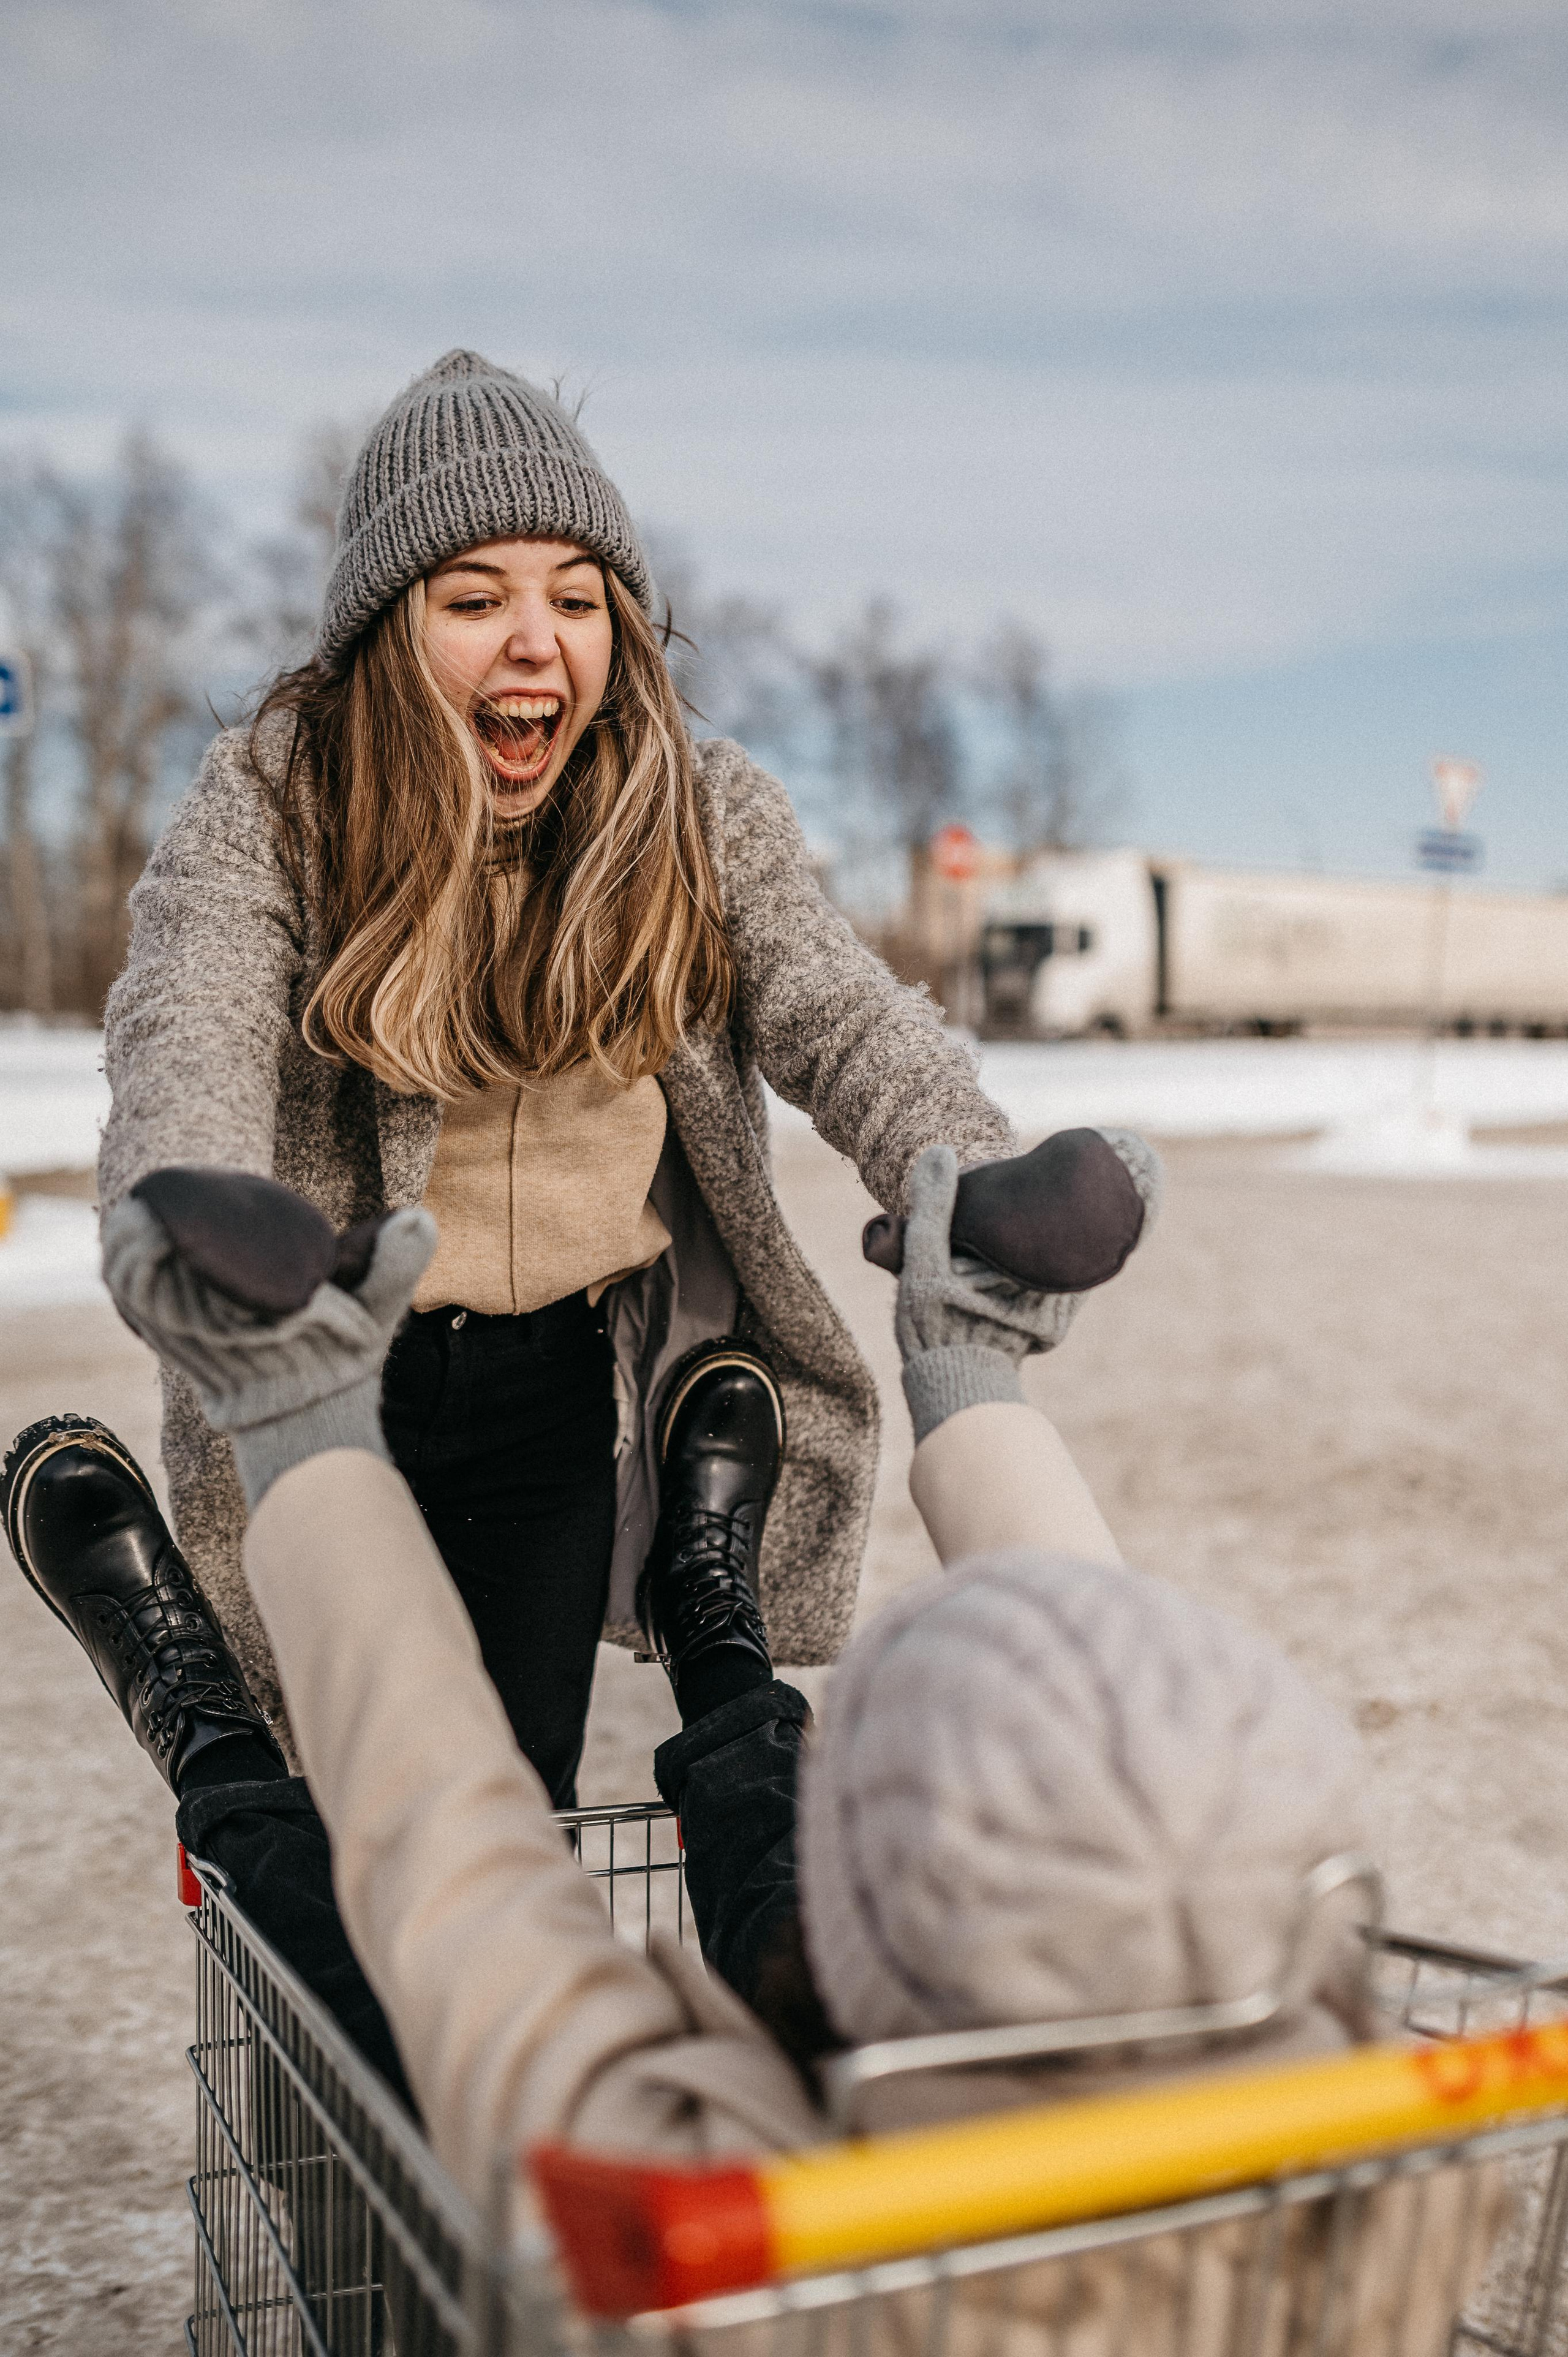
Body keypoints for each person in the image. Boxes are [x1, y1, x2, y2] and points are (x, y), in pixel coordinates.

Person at [12, 1160, 1504, 2353]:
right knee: (818, 1851)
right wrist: (969, 1384)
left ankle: (205, 1732)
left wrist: (299, 1424)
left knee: (378, 2039)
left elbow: (452, 1847)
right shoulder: (1386, 2211)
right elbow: (1148, 1762)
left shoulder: (716, 2251)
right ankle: (711, 1641)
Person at [89, 343, 1158, 1818]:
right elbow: (186, 1008)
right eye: (475, 598)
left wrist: (967, 1163)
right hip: (331, 1352)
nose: (537, 640)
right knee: (344, 1788)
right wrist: (188, 1184)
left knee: (507, 1812)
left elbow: (837, 1009)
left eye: (576, 598)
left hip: (553, 1393)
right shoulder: (279, 798)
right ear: (385, 632)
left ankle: (463, 2057)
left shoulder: (692, 805)